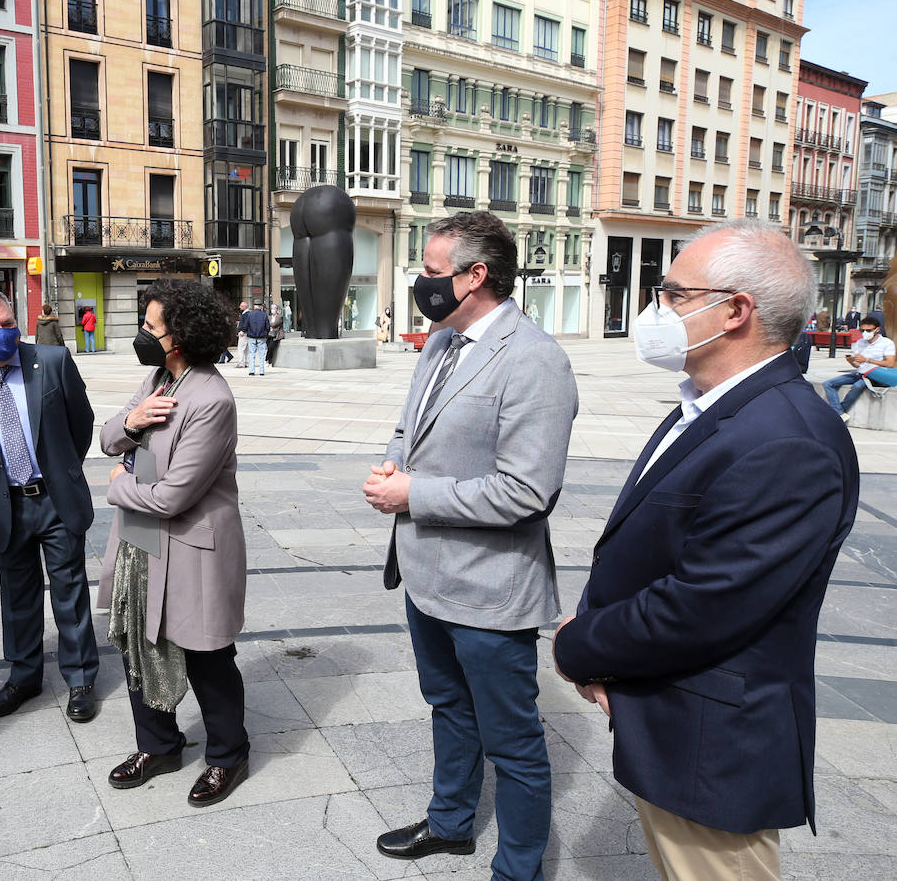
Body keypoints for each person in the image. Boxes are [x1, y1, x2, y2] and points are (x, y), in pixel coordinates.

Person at [552, 219, 859, 881]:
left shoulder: (787, 439)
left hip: (713, 748)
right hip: (673, 724)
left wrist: (580, 643)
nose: (655, 309)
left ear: (737, 311)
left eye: (674, 293)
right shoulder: (710, 405)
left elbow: (704, 604)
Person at [363, 211, 578, 879]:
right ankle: (452, 822)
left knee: (513, 743)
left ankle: (518, 869)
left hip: (490, 590)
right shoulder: (439, 342)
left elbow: (527, 492)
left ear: (475, 275)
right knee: (448, 706)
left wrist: (413, 495)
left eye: (431, 271)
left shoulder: (535, 359)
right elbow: (410, 428)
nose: (421, 282)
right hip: (427, 577)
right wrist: (394, 465)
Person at [98, 279, 251, 808]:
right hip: (141, 539)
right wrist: (132, 421)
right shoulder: (158, 379)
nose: (143, 334)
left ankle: (228, 754)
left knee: (206, 655)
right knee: (139, 643)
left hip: (190, 544)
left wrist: (121, 485)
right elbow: (107, 440)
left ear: (180, 337)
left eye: (151, 327)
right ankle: (159, 746)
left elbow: (175, 496)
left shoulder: (211, 399)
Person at [0, 287, 100, 723]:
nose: (3, 334)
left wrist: (61, 468)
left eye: (8, 324)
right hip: (5, 503)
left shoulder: (51, 361)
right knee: (17, 594)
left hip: (54, 497)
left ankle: (81, 678)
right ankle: (24, 676)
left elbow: (80, 424)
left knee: (70, 591)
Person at [822, 316, 895, 420]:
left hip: (874, 375)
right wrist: (852, 362)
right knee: (828, 383)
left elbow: (890, 363)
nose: (865, 333)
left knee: (858, 386)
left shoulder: (886, 343)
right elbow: (858, 365)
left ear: (877, 330)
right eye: (862, 330)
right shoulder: (859, 343)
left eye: (868, 330)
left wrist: (867, 360)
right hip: (859, 372)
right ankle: (839, 413)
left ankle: (839, 412)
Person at [241, 299, 270, 376]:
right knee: (261, 355)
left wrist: (243, 331)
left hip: (251, 337)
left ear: (254, 306)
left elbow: (245, 326)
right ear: (260, 306)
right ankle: (261, 371)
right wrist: (266, 333)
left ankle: (252, 371)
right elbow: (268, 327)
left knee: (252, 354)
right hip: (261, 337)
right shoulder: (264, 315)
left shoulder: (250, 315)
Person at [234, 301, 248, 367]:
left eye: (241, 306)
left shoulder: (246, 314)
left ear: (245, 307)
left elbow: (246, 323)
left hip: (243, 334)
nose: (240, 307)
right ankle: (246, 362)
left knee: (241, 349)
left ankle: (241, 363)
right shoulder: (246, 313)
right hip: (246, 333)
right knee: (246, 349)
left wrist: (242, 331)